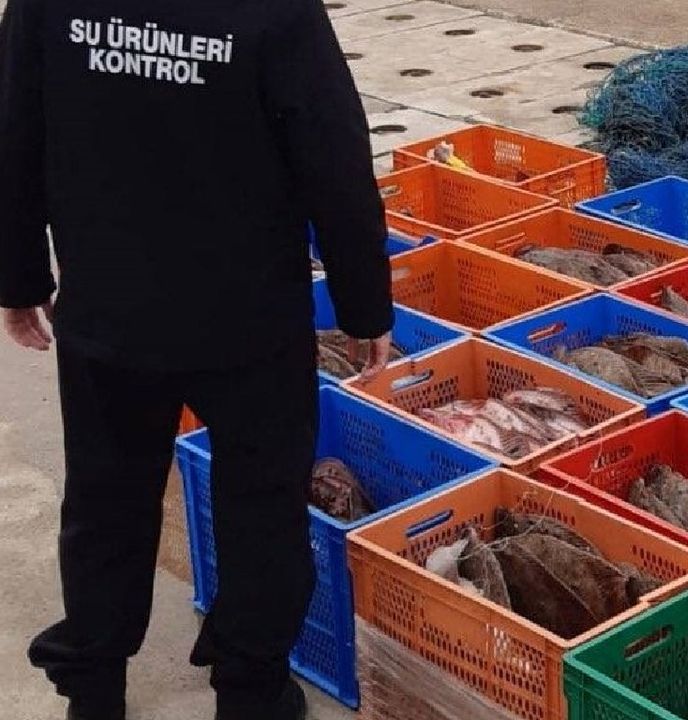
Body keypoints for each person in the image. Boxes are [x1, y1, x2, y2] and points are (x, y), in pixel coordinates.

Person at [0, 0, 394, 718]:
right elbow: (332, 152)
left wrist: (20, 276)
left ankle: (94, 688)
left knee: (105, 502)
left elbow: (15, 130)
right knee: (262, 509)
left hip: (114, 311)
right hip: (247, 320)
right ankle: (250, 693)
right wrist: (364, 301)